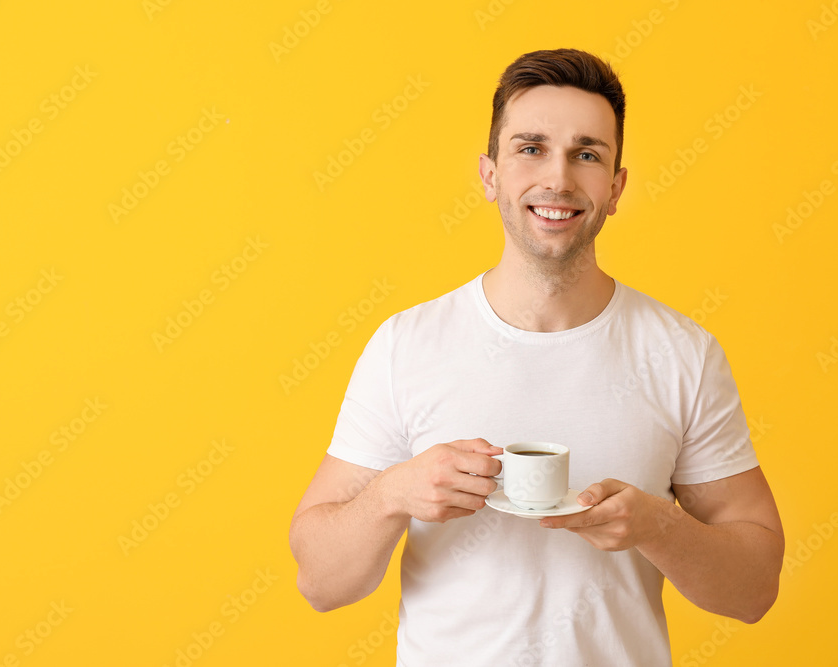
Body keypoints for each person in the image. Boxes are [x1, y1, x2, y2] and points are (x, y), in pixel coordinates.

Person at [289, 48, 783, 666]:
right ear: (490, 173)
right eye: (530, 148)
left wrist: (659, 526)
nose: (559, 179)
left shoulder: (684, 354)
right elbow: (321, 583)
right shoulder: (406, 344)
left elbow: (755, 589)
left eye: (587, 154)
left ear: (616, 185)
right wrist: (393, 493)